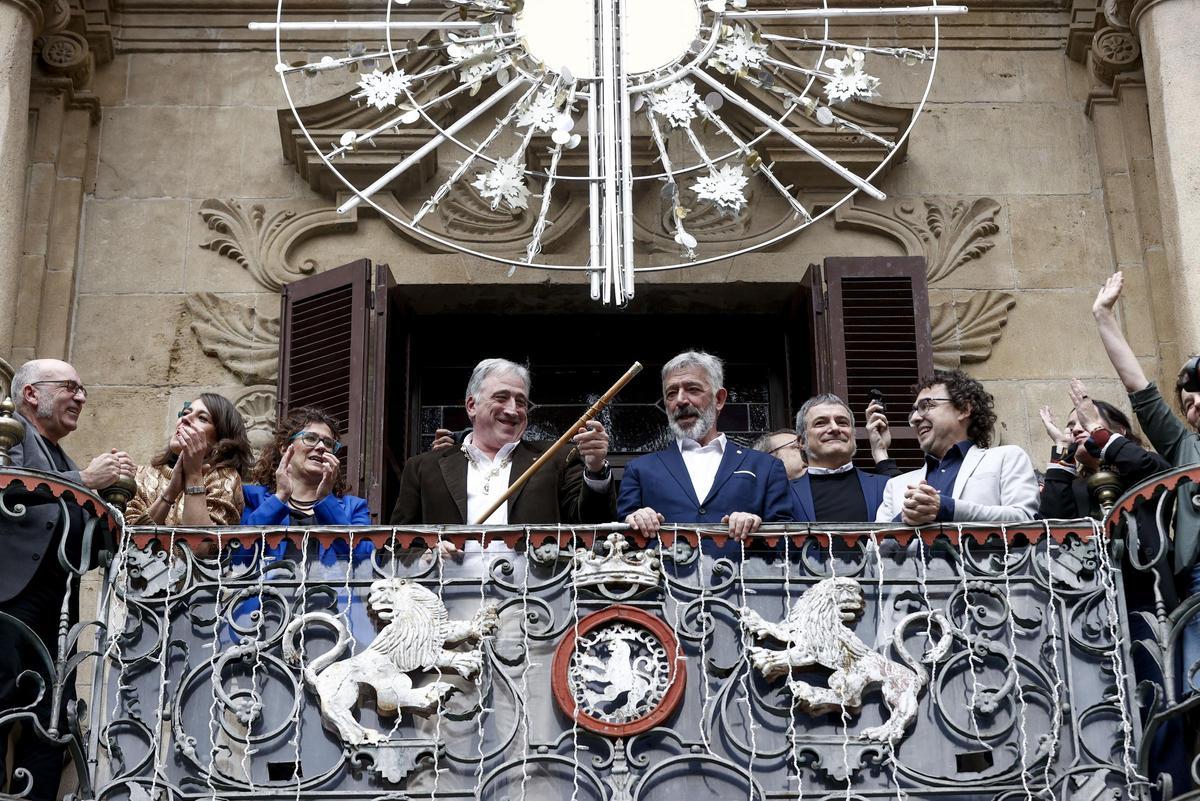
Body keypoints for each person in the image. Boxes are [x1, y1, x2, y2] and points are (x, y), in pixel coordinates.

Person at [0, 359, 134, 801]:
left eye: (83, 389)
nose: (80, 396)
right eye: (69, 387)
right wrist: (83, 481)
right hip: (7, 595)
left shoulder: (61, 455)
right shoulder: (7, 434)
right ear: (31, 394)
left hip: (55, 610)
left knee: (52, 718)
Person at [1091, 270, 1200, 682]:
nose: (1194, 408)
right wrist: (1104, 317)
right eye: (1187, 404)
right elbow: (1141, 389)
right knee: (1194, 685)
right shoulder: (1187, 446)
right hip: (1199, 575)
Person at [390, 358, 615, 525]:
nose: (512, 410)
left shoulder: (558, 457)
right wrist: (428, 558)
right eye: (501, 397)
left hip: (538, 588)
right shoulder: (422, 467)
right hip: (447, 588)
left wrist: (595, 469)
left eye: (521, 401)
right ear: (471, 406)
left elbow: (594, 525)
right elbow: (397, 546)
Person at [618, 351, 793, 539]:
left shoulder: (766, 466)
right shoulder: (639, 469)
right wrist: (635, 519)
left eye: (693, 389)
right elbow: (620, 539)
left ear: (719, 399)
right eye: (671, 393)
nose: (681, 401)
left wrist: (757, 525)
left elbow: (789, 541)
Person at [875, 369, 1039, 524]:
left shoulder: (1006, 458)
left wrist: (948, 509)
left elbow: (1024, 520)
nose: (916, 418)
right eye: (914, 412)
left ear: (963, 409)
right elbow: (871, 551)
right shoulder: (895, 486)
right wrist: (904, 518)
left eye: (926, 406)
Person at [1037, 379, 1169, 520]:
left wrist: (1095, 428)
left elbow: (1151, 472)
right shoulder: (1073, 487)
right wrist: (1062, 446)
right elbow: (1052, 525)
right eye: (1071, 427)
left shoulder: (1149, 461)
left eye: (1084, 421)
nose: (1075, 429)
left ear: (1120, 430)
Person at [125, 394, 253, 525]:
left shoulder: (225, 478)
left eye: (202, 418)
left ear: (220, 441)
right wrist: (170, 493)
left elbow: (202, 544)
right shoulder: (141, 476)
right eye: (185, 413)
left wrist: (193, 476)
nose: (185, 418)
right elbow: (130, 540)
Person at [241, 407, 371, 525]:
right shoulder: (251, 497)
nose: (321, 447)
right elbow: (239, 548)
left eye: (328, 443)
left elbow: (360, 551)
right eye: (310, 438)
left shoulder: (355, 507)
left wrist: (326, 499)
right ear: (285, 447)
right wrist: (280, 496)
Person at [790, 393, 901, 522]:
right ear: (802, 441)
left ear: (853, 435)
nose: (835, 428)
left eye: (842, 423)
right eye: (820, 423)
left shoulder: (884, 485)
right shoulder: (786, 492)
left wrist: (880, 451)